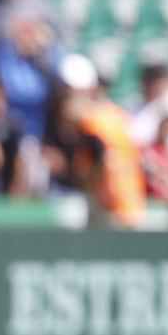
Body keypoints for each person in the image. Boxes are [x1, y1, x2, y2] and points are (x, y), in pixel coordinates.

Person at [56, 54, 146, 227]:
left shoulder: (93, 120)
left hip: (110, 204)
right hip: (131, 202)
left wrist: (88, 180)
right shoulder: (117, 114)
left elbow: (101, 158)